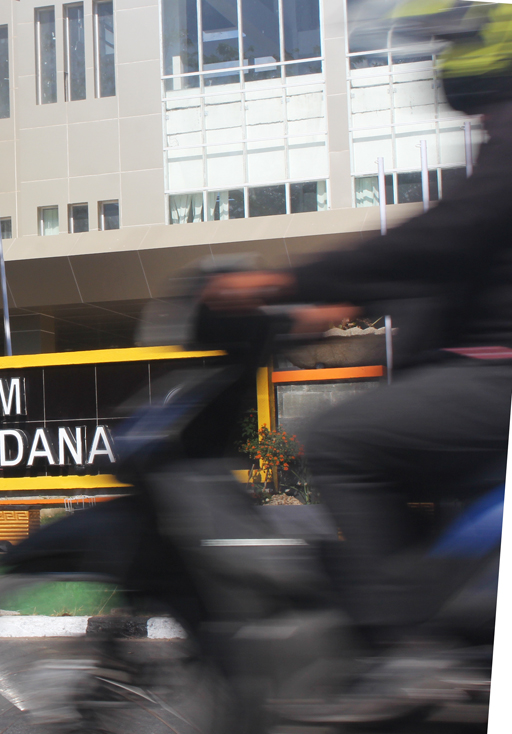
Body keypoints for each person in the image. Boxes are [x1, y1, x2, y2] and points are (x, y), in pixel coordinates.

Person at [204, 0, 512, 719]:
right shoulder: (495, 141)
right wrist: (332, 307)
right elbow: (457, 263)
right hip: (474, 374)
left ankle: (409, 652)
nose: (438, 63)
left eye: (448, 45)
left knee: (338, 446)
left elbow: (449, 237)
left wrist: (289, 280)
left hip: (496, 380)